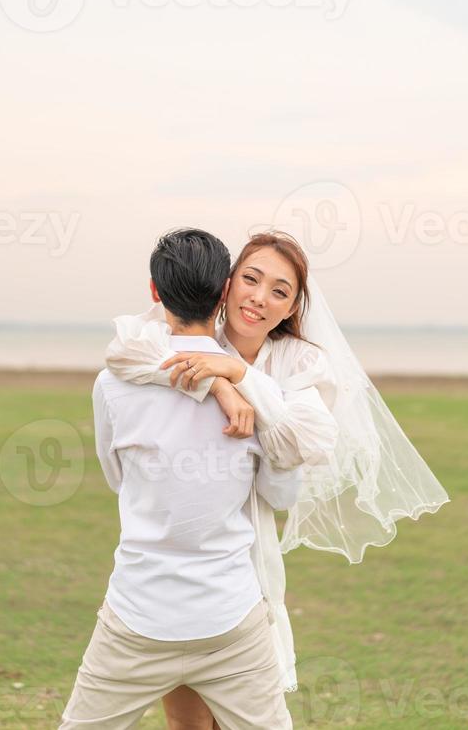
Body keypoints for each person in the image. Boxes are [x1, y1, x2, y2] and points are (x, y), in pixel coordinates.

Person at [105, 229, 451, 730]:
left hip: (248, 561)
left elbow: (308, 441)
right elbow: (122, 353)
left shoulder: (299, 362)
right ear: (226, 284)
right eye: (250, 279)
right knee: (187, 721)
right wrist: (218, 383)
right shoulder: (187, 337)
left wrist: (242, 378)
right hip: (177, 559)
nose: (259, 299)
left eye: (280, 292)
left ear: (291, 308)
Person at [59, 228, 301, 730]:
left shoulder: (114, 381)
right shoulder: (256, 387)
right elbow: (280, 493)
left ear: (154, 291)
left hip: (137, 614)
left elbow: (116, 476)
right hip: (230, 618)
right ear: (223, 295)